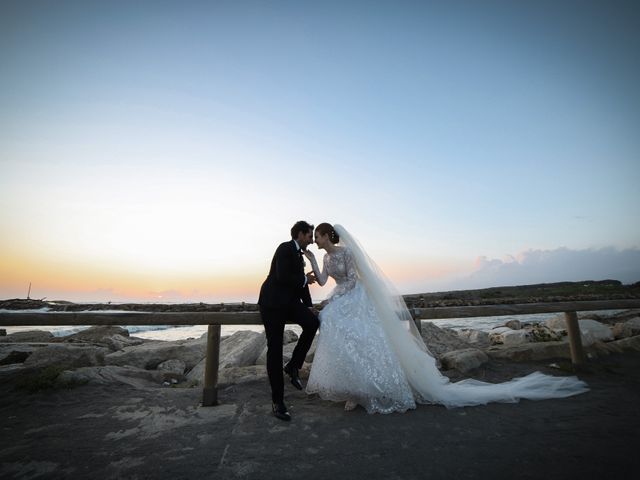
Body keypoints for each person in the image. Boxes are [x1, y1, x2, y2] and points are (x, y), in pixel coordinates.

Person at [304, 223, 589, 414]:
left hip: (355, 297)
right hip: (342, 296)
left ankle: (366, 390)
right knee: (334, 325)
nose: (316, 240)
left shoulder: (348, 253)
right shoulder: (327, 259)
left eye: (317, 236)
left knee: (364, 339)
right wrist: (314, 265)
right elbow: (327, 279)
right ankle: (352, 386)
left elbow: (353, 281)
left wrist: (335, 298)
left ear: (328, 236)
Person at [258, 221, 320, 421]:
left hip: (291, 302)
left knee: (312, 324)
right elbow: (283, 276)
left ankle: (293, 365)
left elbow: (302, 285)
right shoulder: (285, 248)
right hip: (273, 303)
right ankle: (278, 401)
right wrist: (303, 280)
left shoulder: (300, 255)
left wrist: (309, 306)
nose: (311, 241)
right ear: (300, 235)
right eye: (309, 236)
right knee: (274, 349)